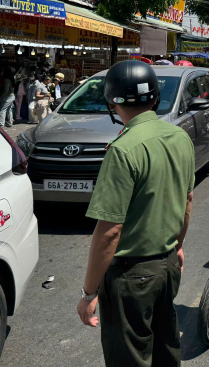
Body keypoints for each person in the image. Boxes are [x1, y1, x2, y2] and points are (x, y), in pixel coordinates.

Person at [77, 60, 195, 367]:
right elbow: (187, 201)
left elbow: (110, 232)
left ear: (112, 101)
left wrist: (89, 293)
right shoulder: (180, 137)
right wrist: (177, 245)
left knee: (129, 359)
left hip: (131, 277)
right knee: (166, 351)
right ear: (155, 97)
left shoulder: (122, 150)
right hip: (167, 266)